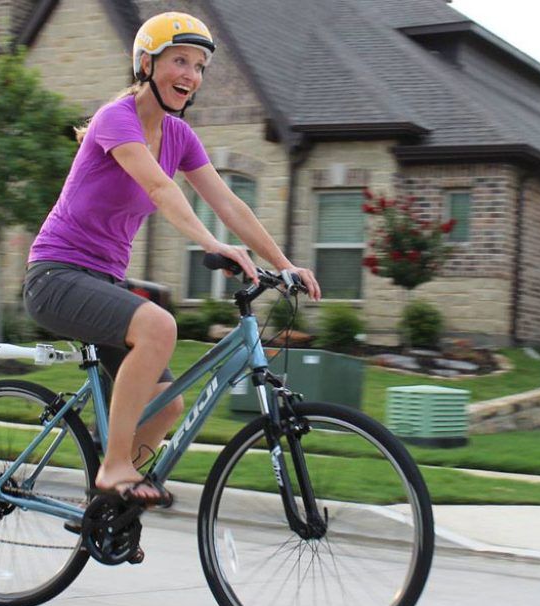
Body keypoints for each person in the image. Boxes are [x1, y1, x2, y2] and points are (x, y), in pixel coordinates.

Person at [24, 12, 322, 505]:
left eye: (200, 66)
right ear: (146, 63)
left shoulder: (180, 136)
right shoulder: (115, 118)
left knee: (165, 406)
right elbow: (160, 188)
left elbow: (229, 203)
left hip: (102, 282)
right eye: (179, 60)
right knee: (159, 327)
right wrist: (212, 243)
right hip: (56, 275)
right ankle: (114, 466)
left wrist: (283, 262)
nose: (191, 74)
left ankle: (109, 507)